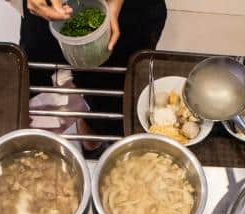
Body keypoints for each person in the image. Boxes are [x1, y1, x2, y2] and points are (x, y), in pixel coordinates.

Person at [20, 0, 167, 144]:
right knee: (28, 81)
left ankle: (91, 135)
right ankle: (22, 134)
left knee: (110, 99)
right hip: (45, 11)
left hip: (128, 13)